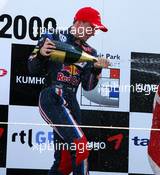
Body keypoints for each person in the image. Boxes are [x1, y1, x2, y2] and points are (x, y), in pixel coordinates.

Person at [28, 7, 109, 175]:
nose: (93, 33)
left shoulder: (91, 52)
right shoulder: (53, 36)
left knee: (64, 163)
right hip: (52, 96)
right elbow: (33, 69)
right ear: (79, 22)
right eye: (92, 27)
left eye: (95, 29)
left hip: (71, 102)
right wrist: (41, 54)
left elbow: (87, 86)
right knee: (81, 147)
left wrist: (96, 70)